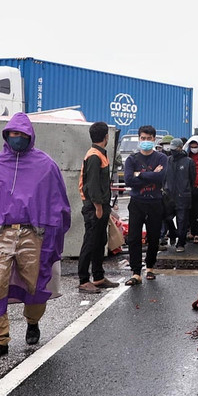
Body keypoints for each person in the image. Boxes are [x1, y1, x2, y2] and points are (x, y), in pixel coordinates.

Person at [0, 113, 72, 362]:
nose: (17, 138)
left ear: (30, 136)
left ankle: (33, 321)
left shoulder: (45, 165)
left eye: (21, 134)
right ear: (6, 135)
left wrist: (57, 229)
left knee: (35, 283)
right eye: (13, 134)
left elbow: (58, 201)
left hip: (33, 233)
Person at [122, 124, 168, 284]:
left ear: (154, 139)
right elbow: (128, 180)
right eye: (143, 138)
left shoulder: (162, 158)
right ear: (139, 138)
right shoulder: (132, 159)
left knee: (154, 236)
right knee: (134, 237)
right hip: (137, 202)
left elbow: (161, 177)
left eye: (149, 139)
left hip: (155, 202)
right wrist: (150, 174)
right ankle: (136, 272)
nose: (146, 141)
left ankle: (150, 267)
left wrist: (139, 175)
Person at [77, 121, 119, 294]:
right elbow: (93, 185)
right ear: (106, 137)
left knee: (99, 241)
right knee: (90, 242)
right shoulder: (94, 156)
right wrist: (98, 207)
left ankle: (99, 276)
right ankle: (83, 280)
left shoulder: (99, 153)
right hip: (95, 207)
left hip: (99, 205)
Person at [161, 138, 196, 251]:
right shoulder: (167, 160)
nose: (173, 151)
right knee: (166, 217)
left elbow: (192, 179)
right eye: (171, 149)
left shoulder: (188, 162)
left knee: (182, 220)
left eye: (175, 149)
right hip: (168, 195)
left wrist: (185, 190)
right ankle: (172, 232)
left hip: (183, 195)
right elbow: (163, 177)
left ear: (181, 148)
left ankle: (180, 243)